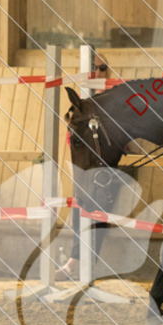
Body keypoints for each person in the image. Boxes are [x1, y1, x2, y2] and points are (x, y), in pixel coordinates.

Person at [56, 52, 122, 281]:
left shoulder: (115, 99)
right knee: (81, 199)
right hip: (89, 166)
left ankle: (82, 264)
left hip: (114, 167)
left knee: (99, 198)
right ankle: (77, 261)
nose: (97, 73)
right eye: (94, 68)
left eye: (102, 69)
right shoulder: (80, 106)